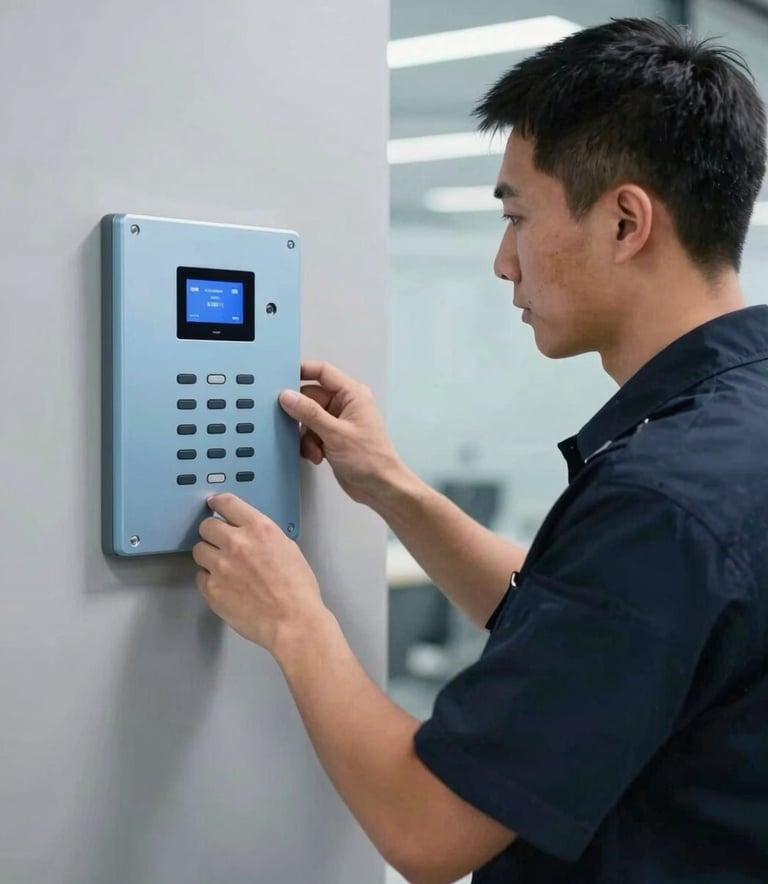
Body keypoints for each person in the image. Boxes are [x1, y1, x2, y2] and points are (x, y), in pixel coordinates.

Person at [193, 18, 768, 884]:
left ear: (625, 222)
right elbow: (591, 631)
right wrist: (392, 489)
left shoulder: (665, 499)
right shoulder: (735, 424)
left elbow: (428, 829)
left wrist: (293, 619)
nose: (504, 262)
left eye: (518, 216)